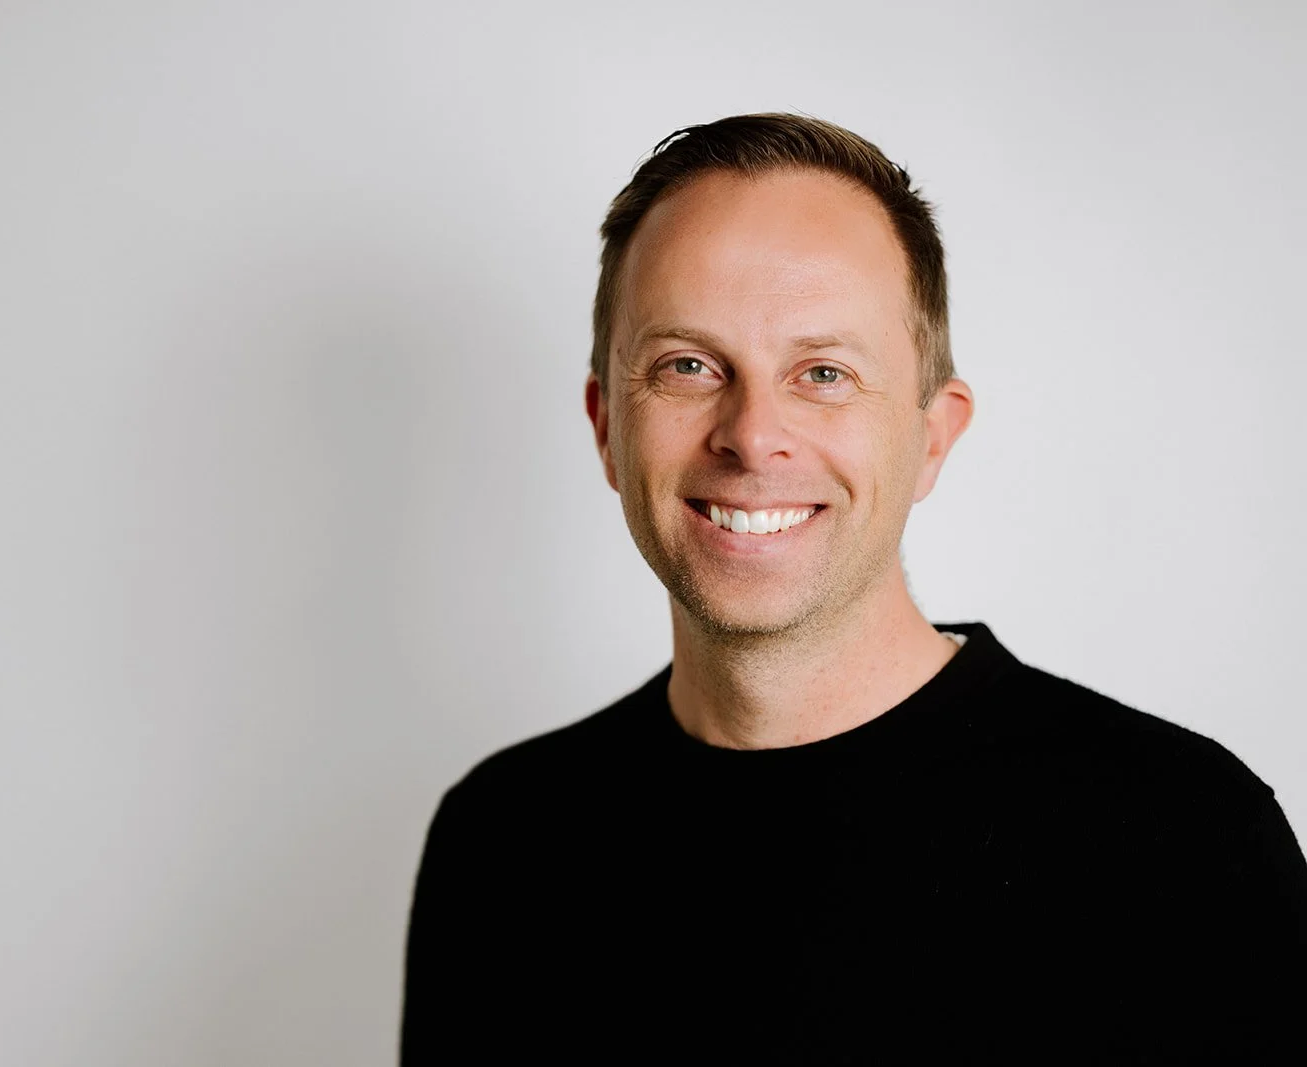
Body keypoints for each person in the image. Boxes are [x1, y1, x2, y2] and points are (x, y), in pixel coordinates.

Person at [398, 114, 1307, 1063]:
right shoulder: (500, 842)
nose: (752, 436)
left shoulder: (1182, 841)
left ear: (932, 435)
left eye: (823, 373)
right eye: (689, 367)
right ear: (605, 429)